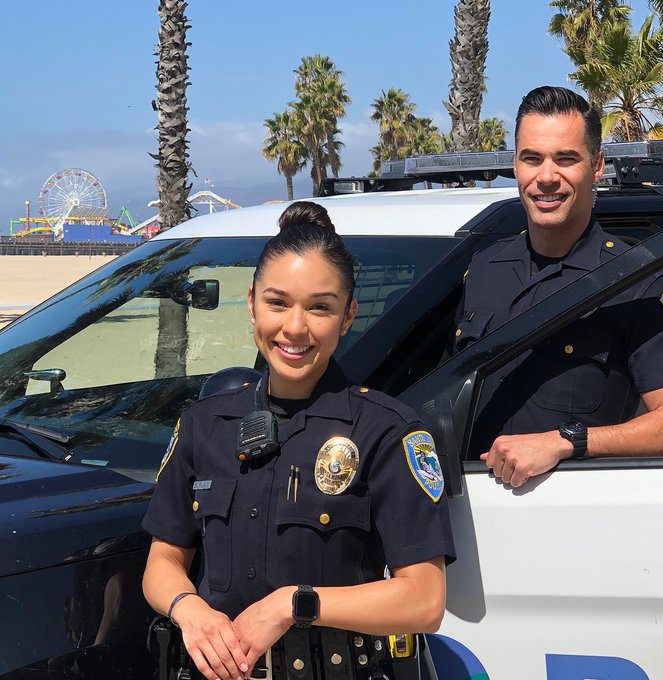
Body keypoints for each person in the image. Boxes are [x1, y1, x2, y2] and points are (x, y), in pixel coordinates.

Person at [142, 201, 456, 680]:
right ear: (251, 303)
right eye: (277, 302)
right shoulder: (204, 424)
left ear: (348, 315)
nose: (294, 327)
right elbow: (163, 560)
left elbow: (424, 601)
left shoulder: (387, 432)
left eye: (319, 307)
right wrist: (189, 610)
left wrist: (294, 604)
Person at [453, 85, 663, 488]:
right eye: (532, 158)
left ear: (596, 166)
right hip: (469, 511)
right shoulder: (484, 268)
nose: (546, 177)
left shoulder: (638, 282)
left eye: (565, 159)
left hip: (574, 515)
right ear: (515, 164)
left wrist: (568, 442)